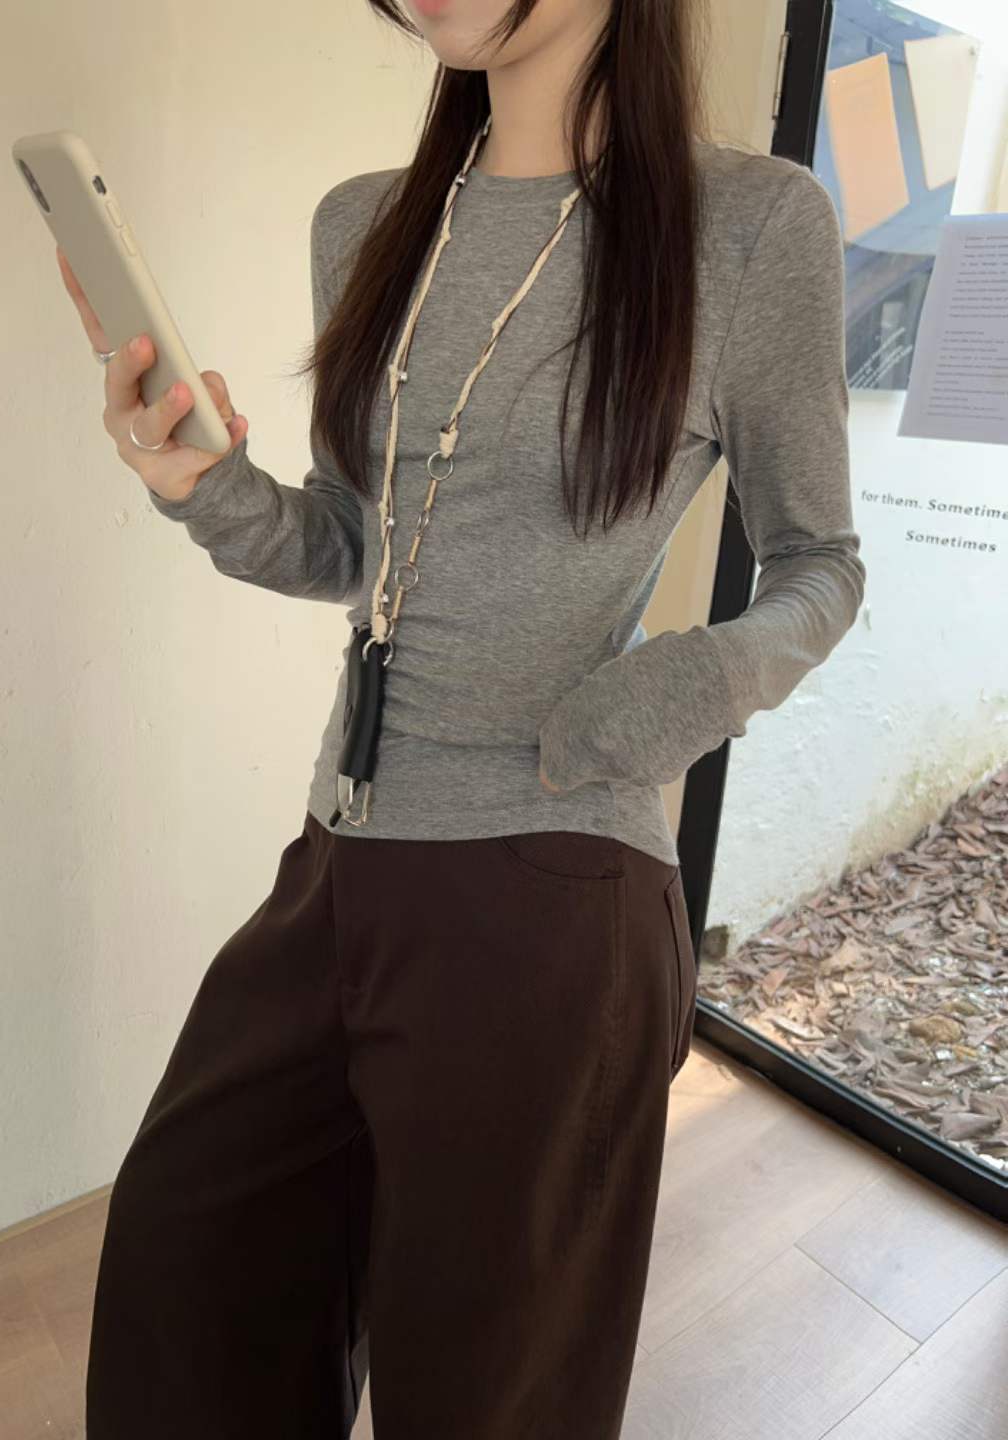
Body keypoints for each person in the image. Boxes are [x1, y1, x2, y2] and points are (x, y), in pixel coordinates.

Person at [66, 1, 866, 1435]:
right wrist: (202, 485)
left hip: (551, 889)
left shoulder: (749, 227)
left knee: (487, 1394)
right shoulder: (366, 223)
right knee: (184, 1304)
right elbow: (362, 548)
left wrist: (674, 691)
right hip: (335, 862)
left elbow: (822, 564)